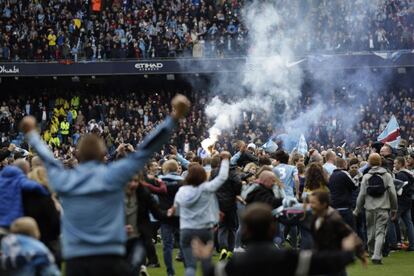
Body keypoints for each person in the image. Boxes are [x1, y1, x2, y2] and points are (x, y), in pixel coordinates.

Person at [20, 95, 190, 276]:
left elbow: (48, 159)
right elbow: (146, 149)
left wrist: (31, 134)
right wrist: (174, 118)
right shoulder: (114, 175)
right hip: (110, 259)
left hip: (76, 262)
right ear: (103, 154)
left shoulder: (65, 180)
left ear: (78, 156)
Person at [193, 203, 362, 276]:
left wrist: (205, 258)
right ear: (273, 228)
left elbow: (210, 273)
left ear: (245, 230)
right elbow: (328, 262)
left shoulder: (234, 264)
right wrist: (347, 250)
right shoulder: (290, 258)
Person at [168, 151, 231, 276]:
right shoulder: (206, 188)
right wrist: (225, 160)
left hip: (186, 229)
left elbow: (177, 212)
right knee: (206, 263)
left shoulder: (181, 191)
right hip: (204, 229)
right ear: (203, 176)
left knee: (190, 266)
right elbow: (222, 177)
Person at [354, 153, 398, 264]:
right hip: (383, 208)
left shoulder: (366, 177)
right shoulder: (387, 176)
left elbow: (362, 195)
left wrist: (357, 209)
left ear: (369, 162)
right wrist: (394, 209)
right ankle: (376, 255)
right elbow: (392, 193)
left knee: (371, 232)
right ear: (380, 162)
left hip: (369, 209)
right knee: (380, 233)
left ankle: (373, 252)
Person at [309, 190, 366, 276]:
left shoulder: (334, 220)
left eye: (313, 203)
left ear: (323, 204)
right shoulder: (315, 218)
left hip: (334, 263)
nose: (311, 206)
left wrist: (360, 253)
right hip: (323, 262)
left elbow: (350, 235)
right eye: (310, 202)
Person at [0, 159, 49, 232]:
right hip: (11, 221)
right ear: (26, 170)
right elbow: (33, 186)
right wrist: (46, 193)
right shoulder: (20, 178)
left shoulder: (2, 177)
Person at [211, 153, 242, 260]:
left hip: (218, 203)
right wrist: (236, 193)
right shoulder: (232, 172)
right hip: (231, 203)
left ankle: (223, 248)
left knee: (222, 226)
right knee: (233, 227)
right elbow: (238, 182)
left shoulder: (214, 172)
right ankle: (230, 250)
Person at [328, 158, 358, 229]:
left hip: (334, 207)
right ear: (344, 164)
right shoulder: (344, 174)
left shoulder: (331, 176)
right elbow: (354, 186)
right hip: (345, 208)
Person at [392, 156, 414, 251]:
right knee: (409, 223)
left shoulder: (401, 175)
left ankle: (394, 244)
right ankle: (412, 244)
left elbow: (400, 190)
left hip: (401, 202)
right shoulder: (408, 174)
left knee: (391, 220)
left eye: (395, 163)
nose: (394, 165)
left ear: (400, 164)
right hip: (408, 200)